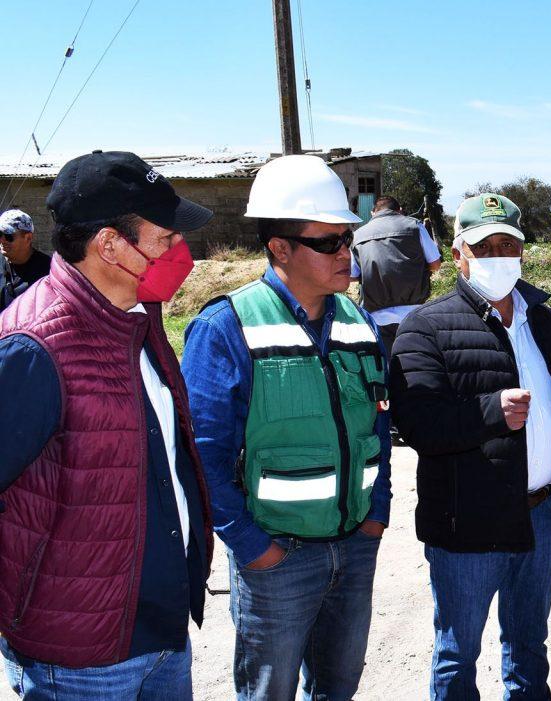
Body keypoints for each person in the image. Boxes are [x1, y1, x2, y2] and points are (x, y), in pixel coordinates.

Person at [0, 150, 214, 699]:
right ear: (111, 245)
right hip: (78, 660)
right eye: (165, 237)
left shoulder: (141, 319)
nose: (180, 251)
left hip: (162, 632)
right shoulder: (33, 346)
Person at [181, 154, 392, 700]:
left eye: (347, 239)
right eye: (329, 242)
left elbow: (378, 426)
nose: (346, 253)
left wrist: (376, 515)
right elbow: (201, 457)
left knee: (338, 688)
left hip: (354, 546)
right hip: (277, 558)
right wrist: (253, 546)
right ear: (279, 248)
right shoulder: (225, 327)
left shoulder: (359, 323)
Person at [389, 192, 551, 700]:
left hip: (541, 515)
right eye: (483, 247)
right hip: (468, 523)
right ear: (457, 254)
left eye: (508, 245)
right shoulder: (426, 327)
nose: (498, 257)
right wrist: (490, 413)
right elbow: (416, 423)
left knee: (529, 644)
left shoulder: (543, 320)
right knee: (458, 653)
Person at [350, 195, 442, 355]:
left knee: (386, 365)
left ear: (373, 213)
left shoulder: (358, 235)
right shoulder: (415, 226)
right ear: (399, 210)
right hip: (414, 314)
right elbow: (435, 264)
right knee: (415, 364)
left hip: (377, 317)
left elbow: (351, 275)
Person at [0, 209, 51, 298]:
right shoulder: (1, 264)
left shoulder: (49, 272)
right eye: (0, 234)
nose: (2, 240)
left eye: (8, 236)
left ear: (28, 238)